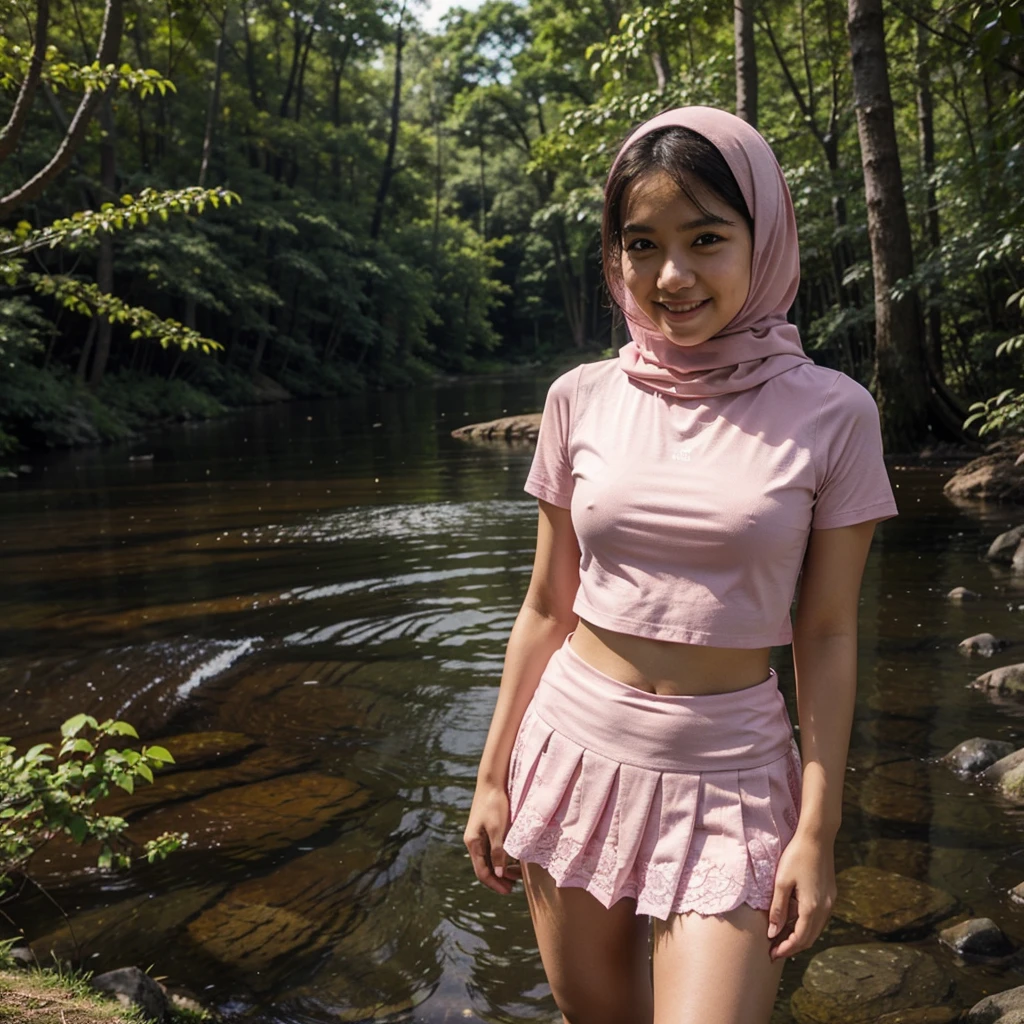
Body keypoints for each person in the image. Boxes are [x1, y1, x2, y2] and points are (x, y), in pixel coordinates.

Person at [463, 106, 898, 1024]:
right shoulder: (579, 398)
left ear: (763, 238)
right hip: (573, 747)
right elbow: (547, 606)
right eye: (642, 244)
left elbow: (824, 632)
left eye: (706, 238)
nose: (672, 275)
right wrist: (493, 776)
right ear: (614, 258)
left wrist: (817, 829)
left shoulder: (835, 413)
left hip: (734, 770)